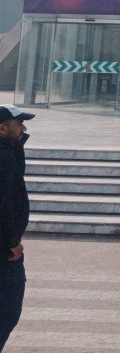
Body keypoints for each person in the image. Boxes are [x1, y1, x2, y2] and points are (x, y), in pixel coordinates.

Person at [0, 105, 34, 351]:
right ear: (2, 129)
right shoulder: (3, 157)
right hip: (4, 250)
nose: (23, 128)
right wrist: (12, 241)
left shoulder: (8, 151)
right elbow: (3, 203)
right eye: (18, 124)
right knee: (7, 311)